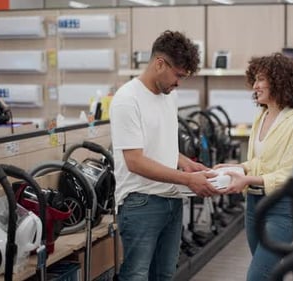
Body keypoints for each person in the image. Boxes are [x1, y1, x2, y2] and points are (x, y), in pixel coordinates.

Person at [109, 30, 221, 281]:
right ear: (160, 63)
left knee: (165, 275)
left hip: (171, 199)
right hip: (141, 202)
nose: (179, 82)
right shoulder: (128, 99)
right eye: (178, 75)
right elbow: (135, 160)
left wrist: (188, 164)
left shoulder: (170, 96)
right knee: (136, 275)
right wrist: (188, 180)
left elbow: (163, 144)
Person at [215, 52, 293, 281]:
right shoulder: (262, 115)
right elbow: (263, 162)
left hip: (282, 208)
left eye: (260, 80)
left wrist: (247, 179)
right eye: (254, 80)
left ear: (279, 81)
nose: (255, 86)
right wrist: (239, 167)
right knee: (268, 274)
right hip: (254, 204)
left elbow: (291, 174)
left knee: (257, 276)